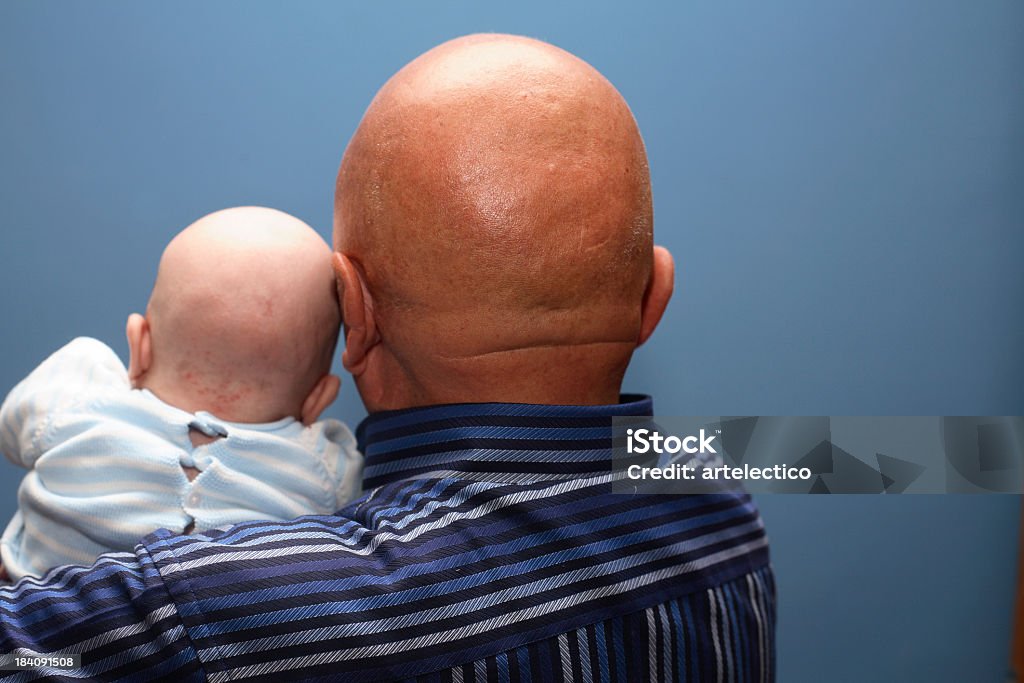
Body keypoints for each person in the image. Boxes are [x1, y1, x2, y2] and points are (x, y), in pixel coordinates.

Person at [0, 35, 774, 682]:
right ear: (654, 297)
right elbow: (868, 457)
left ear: (356, 317)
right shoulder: (727, 497)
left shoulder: (204, 606)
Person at [0, 206, 361, 581]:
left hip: (32, 624)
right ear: (318, 398)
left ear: (139, 343)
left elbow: (10, 432)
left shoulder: (75, 398)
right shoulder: (324, 468)